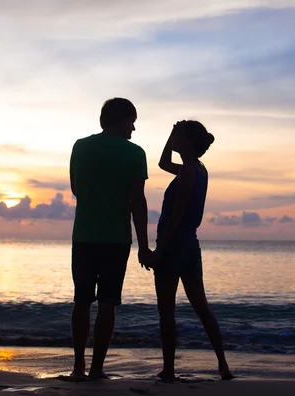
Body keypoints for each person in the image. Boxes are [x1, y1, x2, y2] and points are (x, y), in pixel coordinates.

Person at [69, 97, 152, 380]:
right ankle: (97, 369)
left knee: (81, 301)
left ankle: (78, 366)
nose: (133, 129)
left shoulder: (80, 147)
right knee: (107, 302)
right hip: (116, 239)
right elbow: (137, 201)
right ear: (121, 120)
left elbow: (76, 189)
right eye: (132, 122)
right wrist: (144, 245)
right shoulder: (134, 153)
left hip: (84, 235)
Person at [148, 120, 234, 381]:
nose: (174, 140)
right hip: (190, 246)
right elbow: (163, 164)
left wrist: (158, 250)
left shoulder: (188, 172)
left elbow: (176, 216)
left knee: (167, 311)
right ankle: (223, 364)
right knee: (201, 307)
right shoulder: (197, 169)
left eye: (178, 136)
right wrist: (171, 133)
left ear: (187, 141)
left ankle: (169, 370)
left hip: (174, 245)